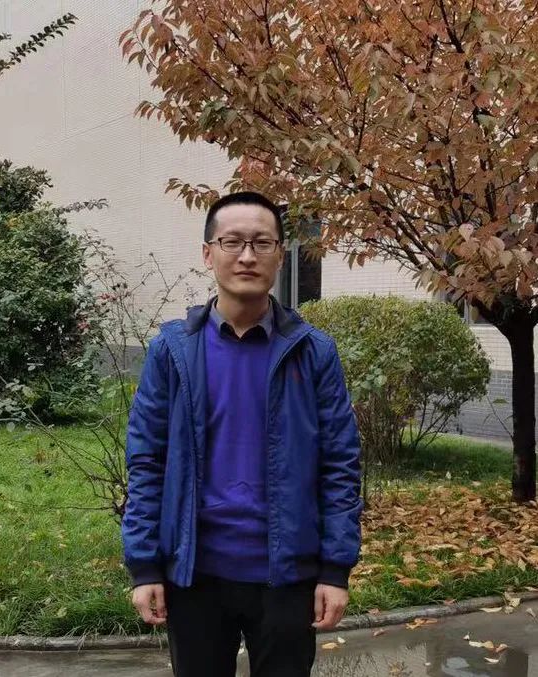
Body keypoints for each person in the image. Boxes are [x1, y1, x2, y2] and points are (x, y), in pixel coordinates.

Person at [122, 191, 363, 677]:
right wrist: (144, 566)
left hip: (287, 576)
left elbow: (340, 464)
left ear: (281, 254)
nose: (247, 256)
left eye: (262, 243)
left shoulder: (313, 352)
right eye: (232, 242)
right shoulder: (172, 351)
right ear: (208, 253)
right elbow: (147, 462)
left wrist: (335, 570)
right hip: (195, 575)